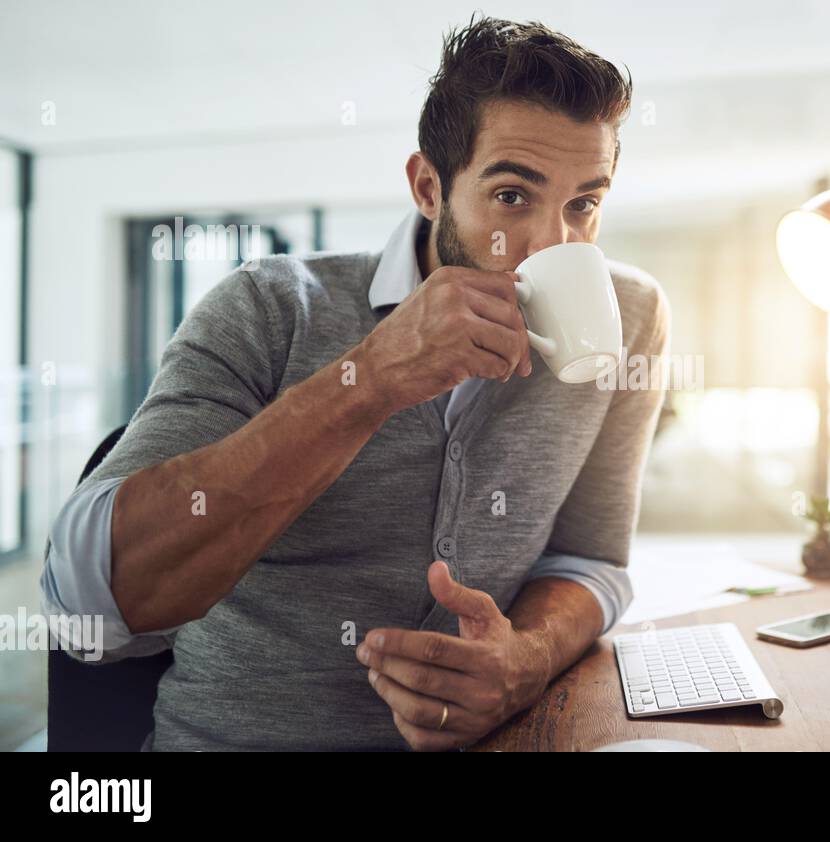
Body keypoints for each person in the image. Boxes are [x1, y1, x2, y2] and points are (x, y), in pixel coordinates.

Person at [41, 15, 669, 751]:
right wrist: (368, 380)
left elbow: (591, 559)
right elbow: (85, 603)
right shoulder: (270, 307)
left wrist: (524, 660)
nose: (551, 244)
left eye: (584, 203)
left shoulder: (632, 316)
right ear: (429, 187)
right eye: (510, 197)